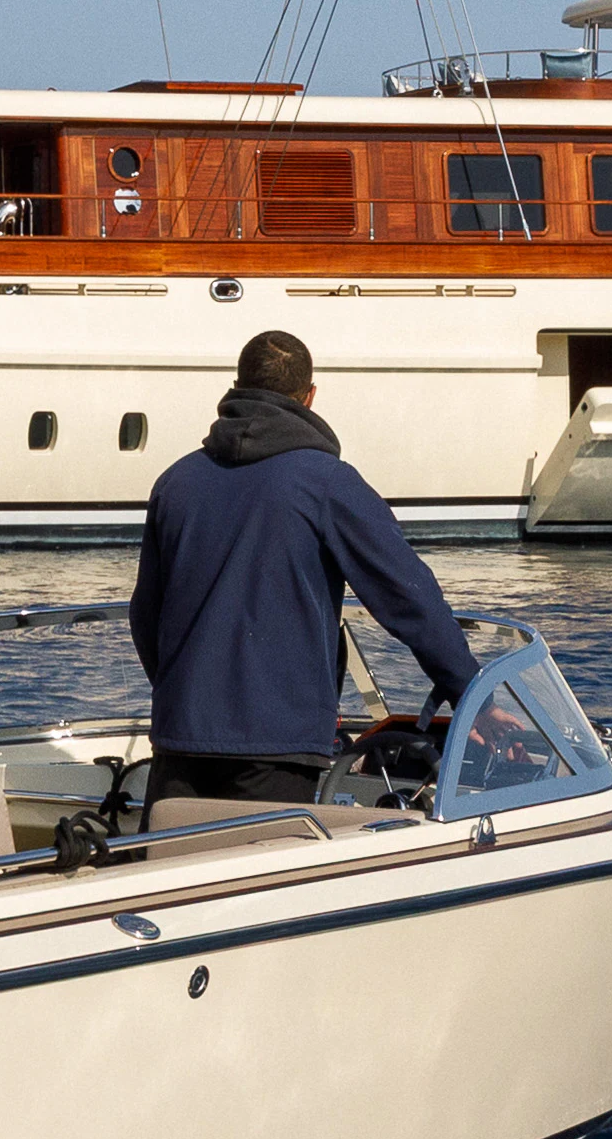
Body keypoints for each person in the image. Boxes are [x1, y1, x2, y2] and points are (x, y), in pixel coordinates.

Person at [128, 329, 475, 806]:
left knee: (172, 876)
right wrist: (471, 691)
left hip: (180, 740)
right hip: (278, 747)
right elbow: (408, 596)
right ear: (310, 397)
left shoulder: (175, 482)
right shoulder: (327, 483)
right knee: (264, 878)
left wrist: (187, 693)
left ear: (236, 387)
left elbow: (145, 616)